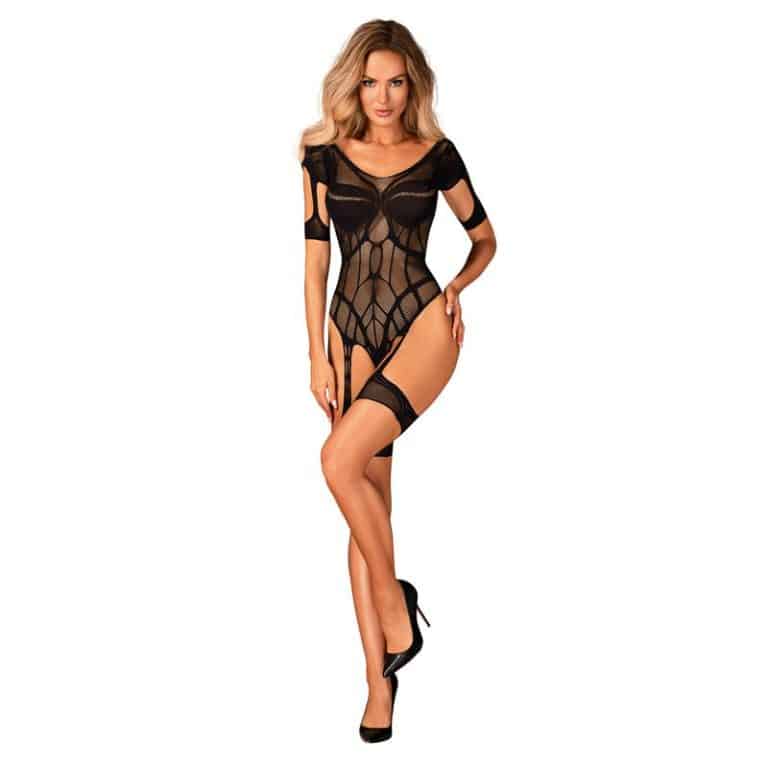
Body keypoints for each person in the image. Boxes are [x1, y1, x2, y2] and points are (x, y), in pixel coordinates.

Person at [298, 19, 496, 742]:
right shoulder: (322, 155)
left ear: (413, 85)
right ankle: (378, 681)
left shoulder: (437, 155)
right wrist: (316, 354)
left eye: (395, 82)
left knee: (337, 462)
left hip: (422, 327)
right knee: (366, 501)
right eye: (369, 82)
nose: (382, 96)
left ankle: (393, 605)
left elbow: (485, 237)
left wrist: (460, 286)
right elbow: (317, 261)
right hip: (349, 333)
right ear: (354, 85)